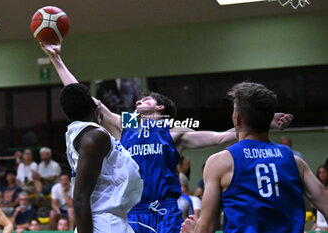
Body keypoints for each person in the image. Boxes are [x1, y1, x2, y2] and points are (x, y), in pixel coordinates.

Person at [41, 43, 293, 233]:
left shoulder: (174, 132)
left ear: (160, 108)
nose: (139, 100)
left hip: (165, 212)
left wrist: (261, 121)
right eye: (138, 99)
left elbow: (219, 138)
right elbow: (86, 100)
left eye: (146, 98)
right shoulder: (125, 124)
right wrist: (56, 58)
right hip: (132, 211)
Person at [180, 82, 328, 233]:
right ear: (268, 119)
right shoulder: (295, 162)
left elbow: (206, 229)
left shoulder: (220, 163)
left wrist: (193, 231)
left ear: (237, 118)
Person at [60, 83, 143, 233]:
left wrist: (58, 63)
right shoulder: (95, 137)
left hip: (112, 218)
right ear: (93, 106)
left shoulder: (85, 133)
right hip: (104, 221)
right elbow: (80, 198)